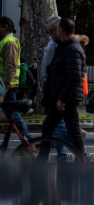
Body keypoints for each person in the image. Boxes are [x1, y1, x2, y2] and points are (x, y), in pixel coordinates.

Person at [40, 18, 87, 161]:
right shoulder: (66, 47)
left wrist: (62, 99)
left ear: (61, 30)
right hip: (61, 97)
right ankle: (41, 161)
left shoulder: (72, 49)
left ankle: (83, 159)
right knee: (48, 128)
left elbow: (73, 78)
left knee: (72, 131)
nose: (51, 33)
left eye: (54, 30)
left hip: (67, 99)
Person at [0, 16, 33, 144]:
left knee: (13, 115)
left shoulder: (10, 43)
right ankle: (27, 140)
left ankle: (28, 140)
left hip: (7, 87)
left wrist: (6, 88)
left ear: (5, 26)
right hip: (4, 86)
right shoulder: (4, 42)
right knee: (11, 114)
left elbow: (10, 67)